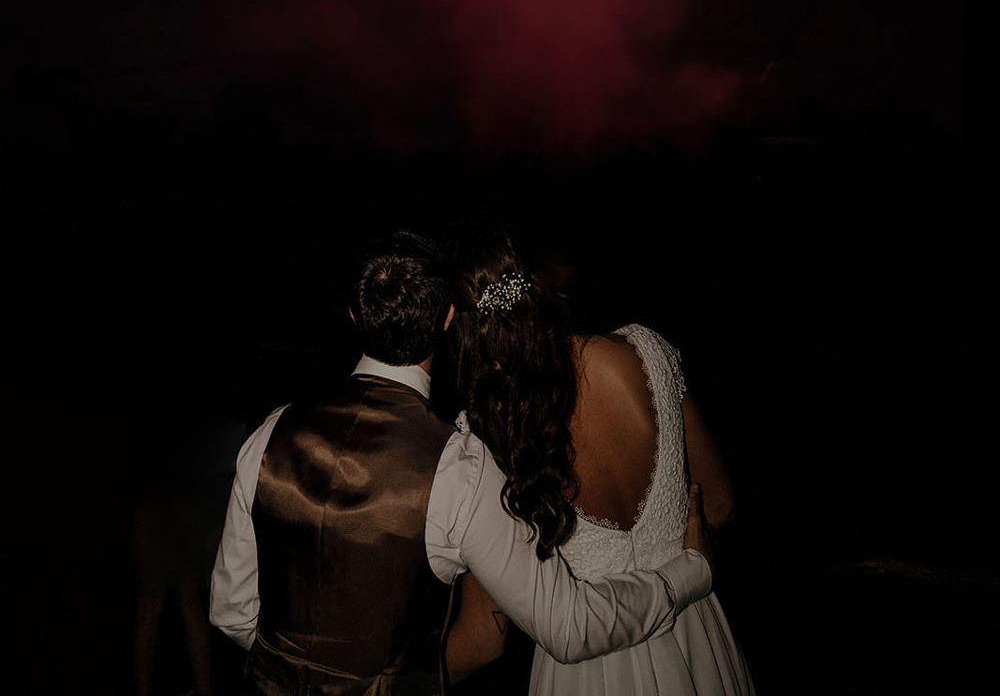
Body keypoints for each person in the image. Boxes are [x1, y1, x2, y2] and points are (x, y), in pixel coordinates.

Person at [210, 230, 715, 694]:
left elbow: (231, 612)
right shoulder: (460, 466)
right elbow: (567, 627)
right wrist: (689, 573)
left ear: (353, 317)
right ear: (449, 318)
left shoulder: (269, 433)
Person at [446, 224, 755, 696]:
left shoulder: (490, 435)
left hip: (588, 674)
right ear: (541, 283)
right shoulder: (647, 352)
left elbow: (484, 639)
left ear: (457, 323)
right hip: (697, 643)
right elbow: (720, 504)